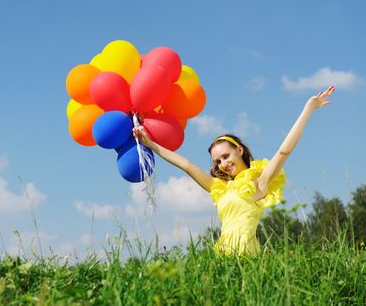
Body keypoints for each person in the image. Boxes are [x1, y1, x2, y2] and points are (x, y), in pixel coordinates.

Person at [134, 85, 335, 255]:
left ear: (239, 150)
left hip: (247, 256)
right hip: (222, 255)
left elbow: (284, 151)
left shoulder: (259, 182)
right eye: (218, 161)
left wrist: (308, 109)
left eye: (226, 156)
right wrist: (151, 144)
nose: (223, 163)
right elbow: (186, 164)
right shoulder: (220, 187)